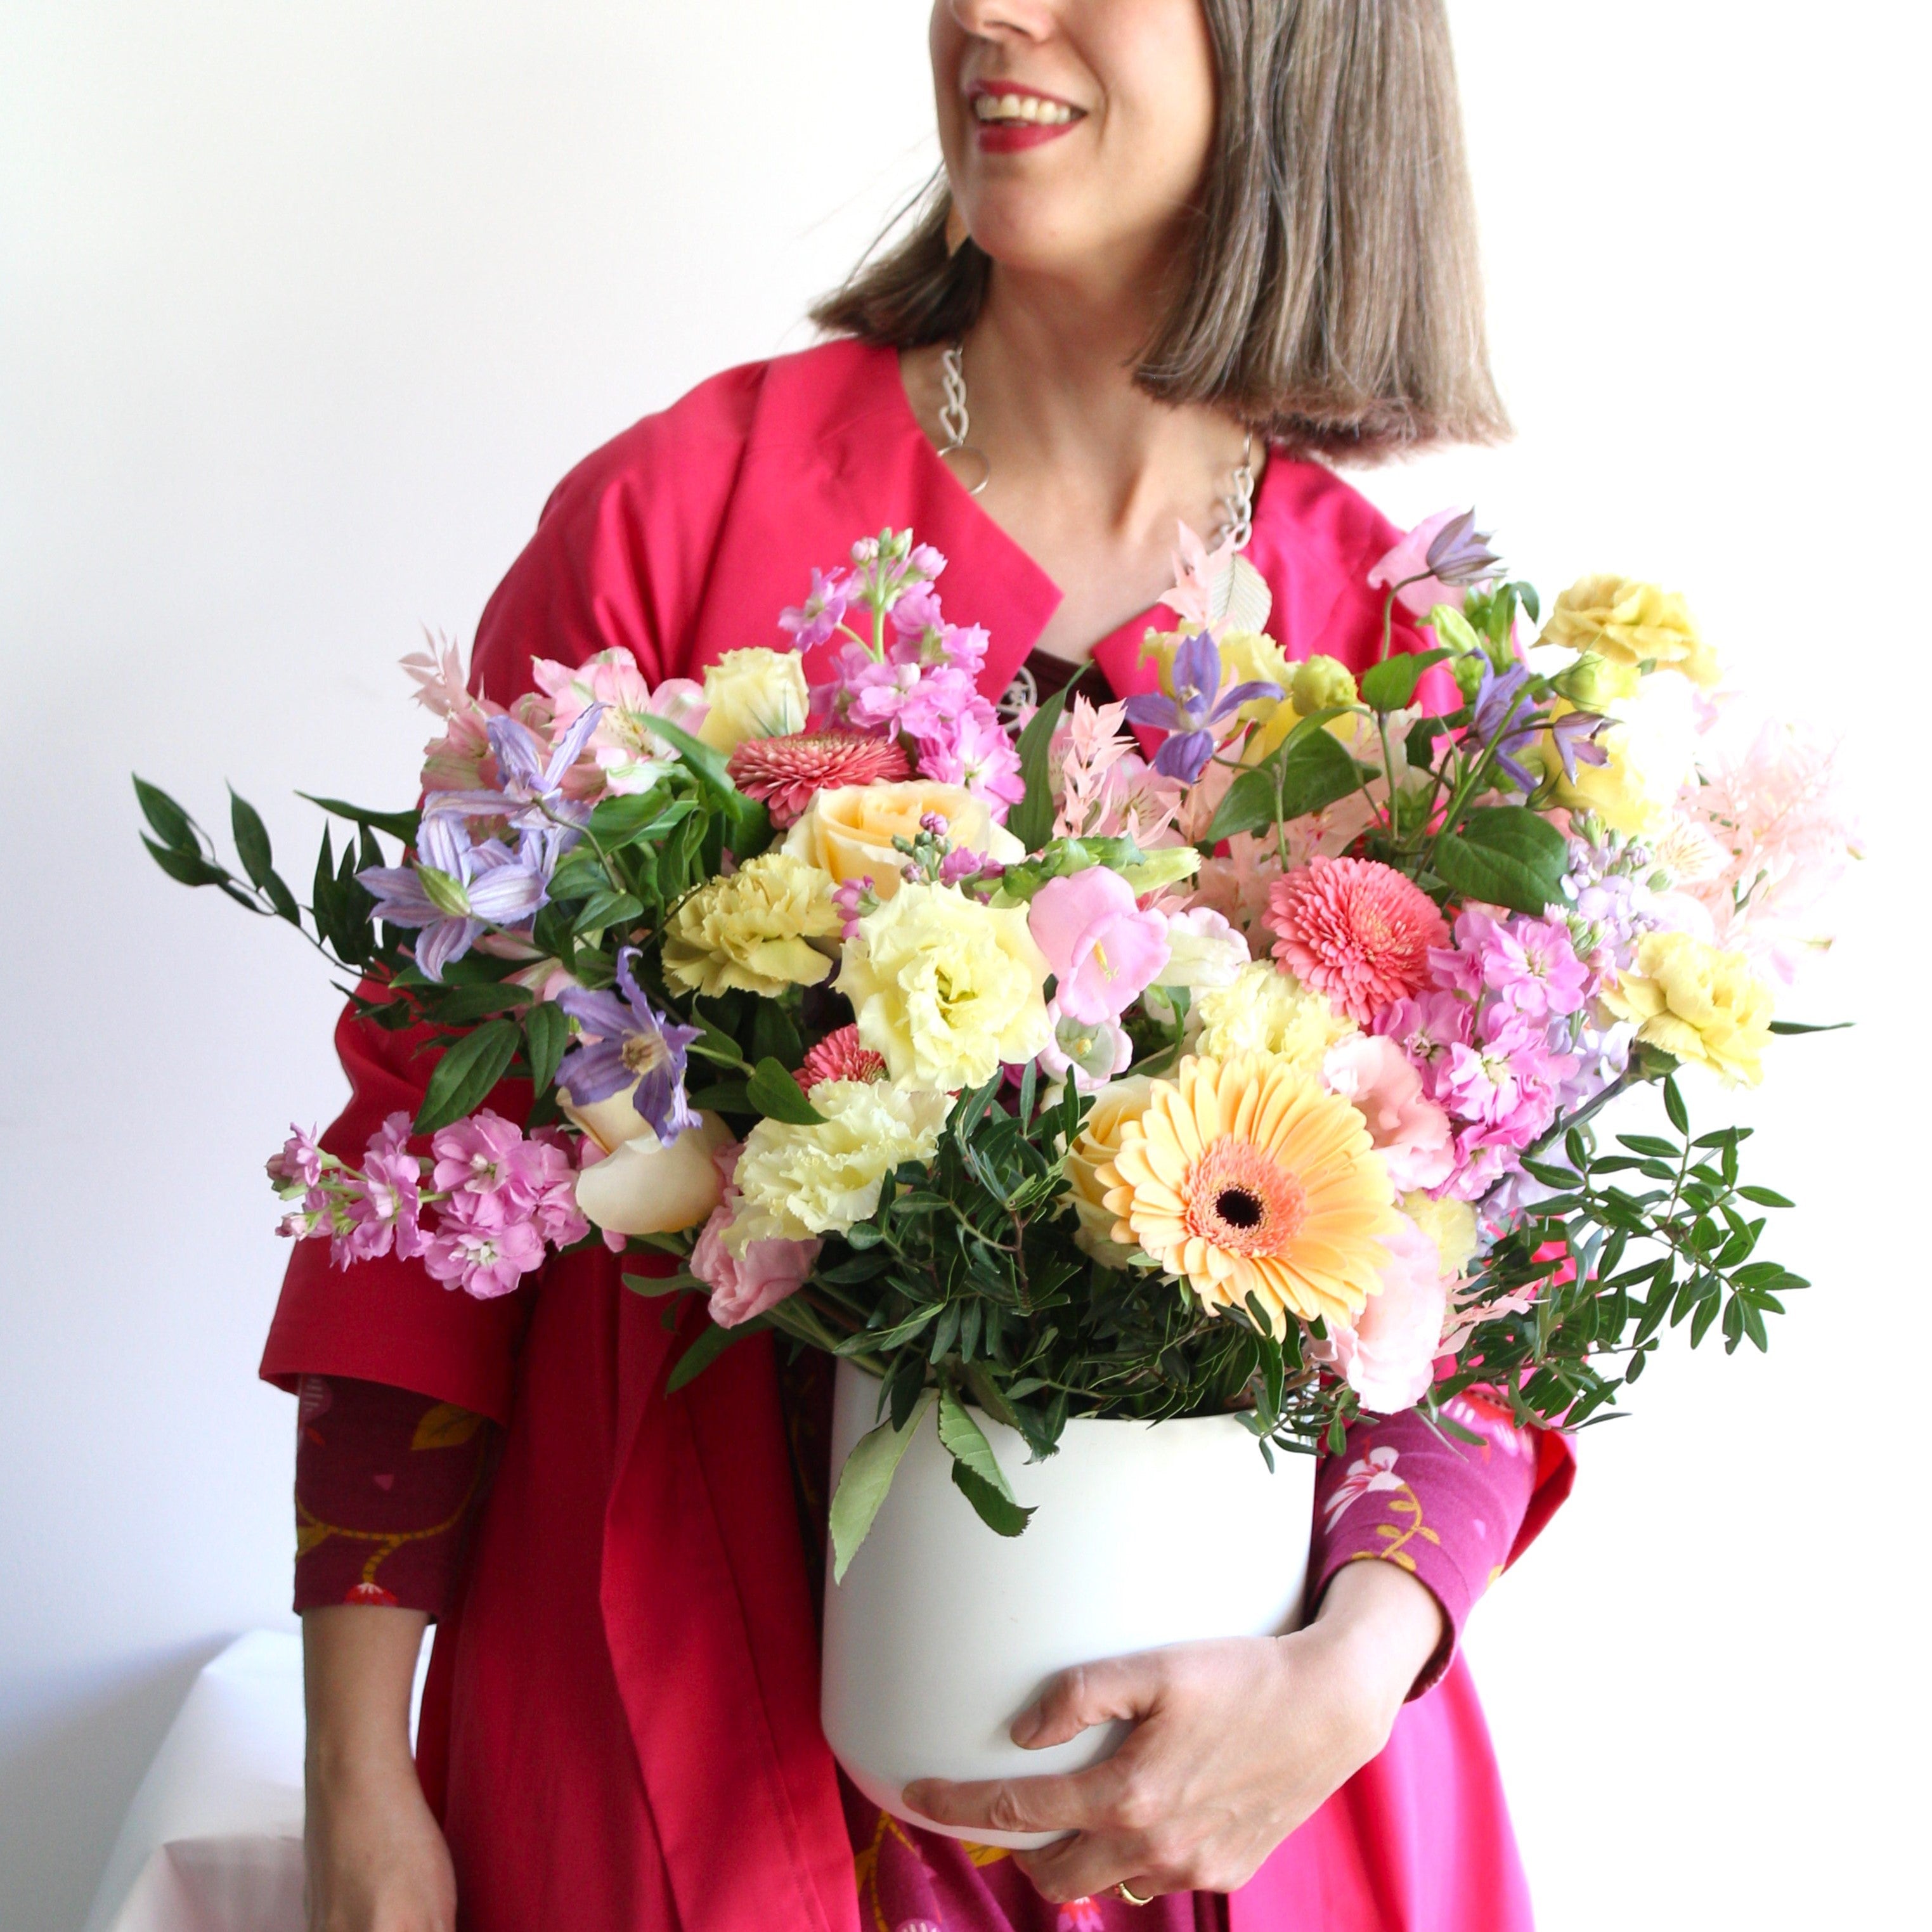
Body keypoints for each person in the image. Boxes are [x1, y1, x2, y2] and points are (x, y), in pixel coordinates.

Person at [278, 4, 1574, 1928]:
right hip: (668, 1725)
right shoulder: (675, 521)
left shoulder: (1403, 661)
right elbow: (426, 1155)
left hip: (1217, 1801)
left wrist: (1345, 1679)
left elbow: (1476, 1282)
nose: (988, 11)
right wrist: (358, 1784)